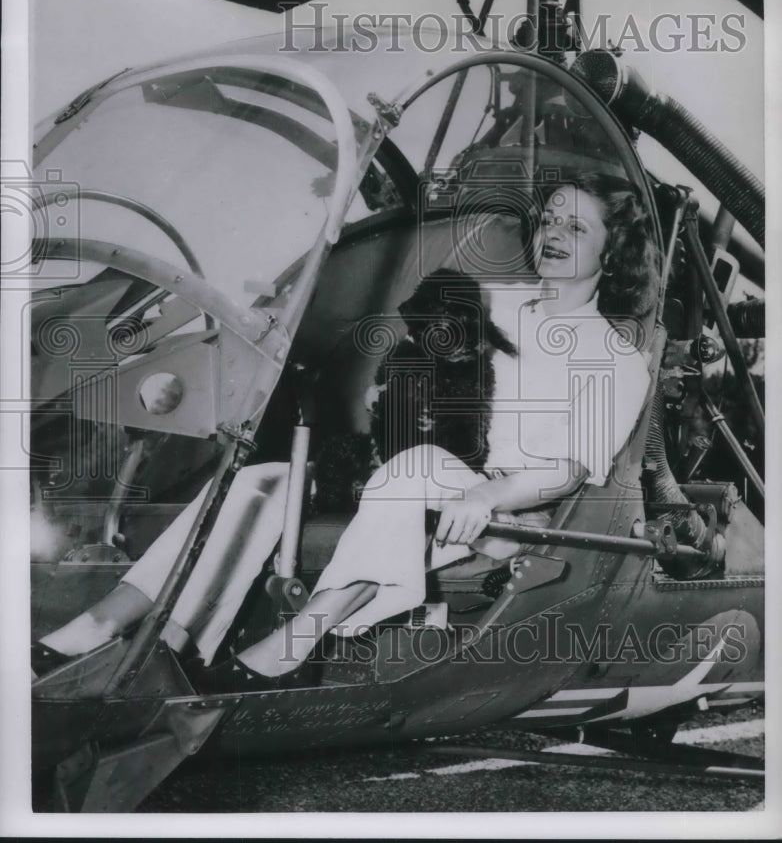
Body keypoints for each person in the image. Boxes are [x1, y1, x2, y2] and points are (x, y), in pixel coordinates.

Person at [33, 171, 659, 689]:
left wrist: (487, 495)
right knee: (262, 483)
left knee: (416, 470)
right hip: (415, 479)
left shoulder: (615, 358)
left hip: (505, 518)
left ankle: (294, 648)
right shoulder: (485, 299)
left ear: (614, 252)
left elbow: (572, 469)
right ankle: (118, 628)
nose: (553, 233)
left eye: (576, 227)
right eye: (550, 218)